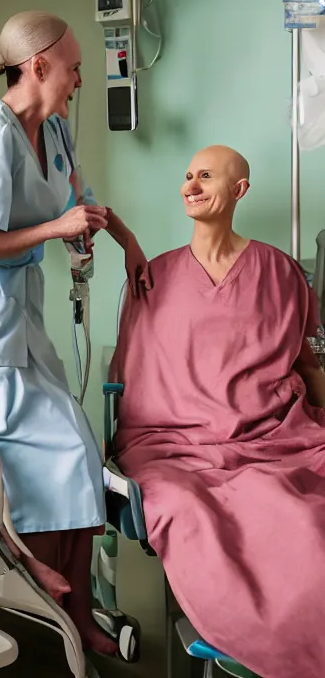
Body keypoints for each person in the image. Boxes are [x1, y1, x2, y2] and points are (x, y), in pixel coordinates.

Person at [0, 10, 150, 655]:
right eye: (73, 67)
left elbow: (80, 202)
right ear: (38, 67)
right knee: (32, 456)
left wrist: (124, 241)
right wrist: (57, 232)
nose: (79, 79)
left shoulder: (56, 132)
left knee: (76, 444)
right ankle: (46, 600)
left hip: (14, 313)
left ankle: (77, 611)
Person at [111, 145, 325, 678]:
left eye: (205, 175)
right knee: (190, 507)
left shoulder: (278, 272)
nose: (190, 184)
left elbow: (307, 365)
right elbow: (131, 378)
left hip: (274, 438)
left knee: (300, 511)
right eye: (186, 175)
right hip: (173, 446)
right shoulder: (150, 278)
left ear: (239, 190)